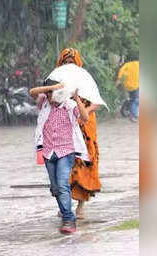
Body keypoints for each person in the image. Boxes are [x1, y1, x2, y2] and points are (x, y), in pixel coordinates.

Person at [30, 78, 90, 234]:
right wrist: (51, 87)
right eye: (48, 93)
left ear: (60, 93)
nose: (50, 96)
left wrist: (76, 98)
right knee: (56, 188)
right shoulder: (43, 103)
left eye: (53, 93)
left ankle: (69, 220)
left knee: (63, 184)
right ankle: (65, 213)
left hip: (66, 151)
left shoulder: (69, 106)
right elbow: (32, 92)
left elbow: (85, 118)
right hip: (48, 152)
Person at [56, 48, 101, 219]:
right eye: (65, 62)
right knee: (62, 165)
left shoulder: (86, 80)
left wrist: (84, 113)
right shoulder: (56, 80)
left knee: (83, 163)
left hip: (85, 126)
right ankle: (64, 204)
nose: (69, 65)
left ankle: (81, 206)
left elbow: (95, 102)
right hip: (64, 125)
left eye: (72, 62)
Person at [116, 55, 139, 122]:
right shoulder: (138, 64)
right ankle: (133, 115)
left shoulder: (127, 65)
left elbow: (121, 71)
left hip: (127, 85)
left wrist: (119, 80)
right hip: (136, 85)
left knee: (133, 99)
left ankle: (128, 107)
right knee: (136, 100)